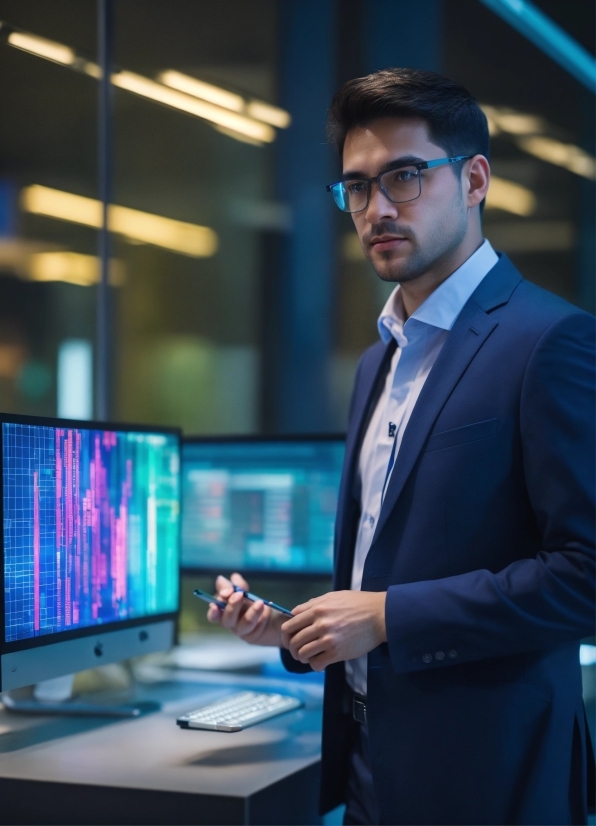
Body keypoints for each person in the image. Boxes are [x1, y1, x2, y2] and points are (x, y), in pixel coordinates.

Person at [206, 68, 595, 826]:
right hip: (367, 763)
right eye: (356, 186)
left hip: (486, 776)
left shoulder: (552, 341)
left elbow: (586, 576)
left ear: (475, 178)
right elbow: (385, 570)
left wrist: (387, 617)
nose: (376, 209)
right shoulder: (376, 358)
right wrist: (299, 628)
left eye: (405, 178)